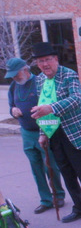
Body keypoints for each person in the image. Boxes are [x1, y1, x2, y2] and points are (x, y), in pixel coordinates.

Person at [30, 42, 81, 225]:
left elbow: (76, 99)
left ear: (55, 59)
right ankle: (79, 208)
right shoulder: (39, 80)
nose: (45, 64)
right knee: (67, 175)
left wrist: (52, 107)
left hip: (77, 133)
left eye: (48, 60)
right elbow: (41, 107)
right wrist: (43, 133)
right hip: (55, 135)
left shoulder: (68, 75)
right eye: (40, 61)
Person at [5, 57, 66, 214]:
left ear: (25, 70)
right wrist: (13, 110)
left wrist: (45, 131)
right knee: (36, 168)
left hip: (44, 130)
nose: (14, 78)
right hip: (26, 132)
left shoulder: (40, 83)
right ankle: (45, 199)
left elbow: (50, 104)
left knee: (50, 166)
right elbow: (11, 105)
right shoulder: (14, 86)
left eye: (16, 74)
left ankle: (58, 195)